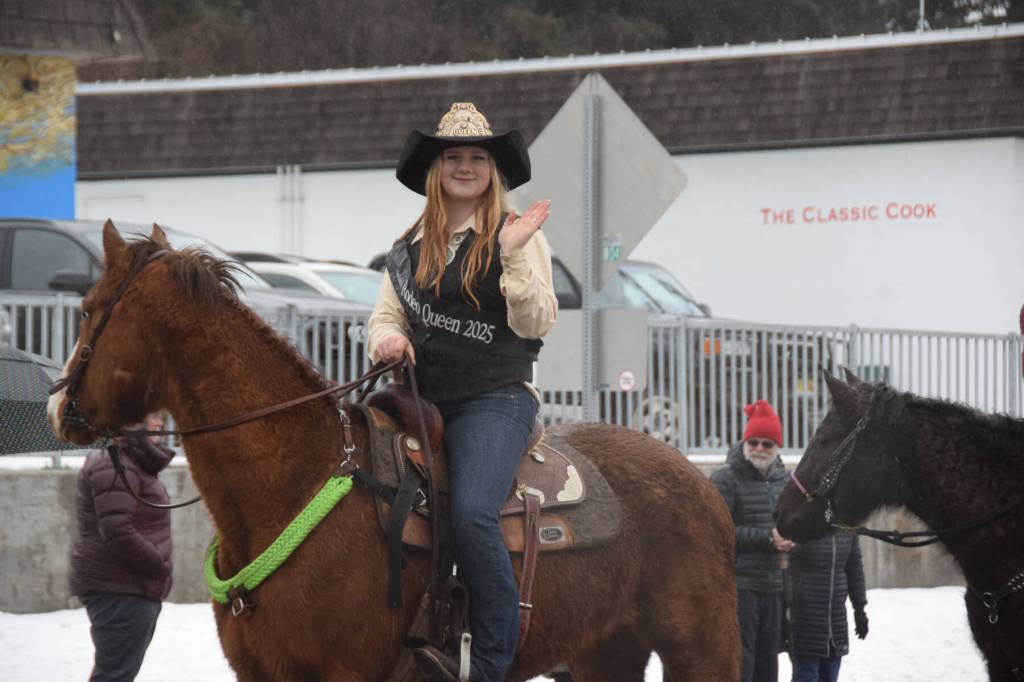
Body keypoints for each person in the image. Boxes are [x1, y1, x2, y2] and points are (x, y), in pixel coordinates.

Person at [367, 102, 557, 682]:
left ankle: (496, 658)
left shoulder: (516, 234)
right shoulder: (406, 246)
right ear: (436, 168)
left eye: (478, 157)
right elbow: (382, 318)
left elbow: (536, 323)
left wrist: (514, 254)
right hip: (418, 397)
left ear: (492, 170)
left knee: (473, 512)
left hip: (494, 398)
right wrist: (391, 339)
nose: (466, 167)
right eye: (454, 157)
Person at [70, 412, 174, 682]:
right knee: (114, 675)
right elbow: (117, 532)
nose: (160, 423)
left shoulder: (130, 464)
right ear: (132, 420)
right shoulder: (114, 466)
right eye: (153, 416)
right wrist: (158, 565)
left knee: (119, 673)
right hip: (120, 590)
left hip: (133, 589)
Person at [711, 399, 794, 682]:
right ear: (745, 442)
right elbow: (718, 532)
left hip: (775, 585)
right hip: (741, 585)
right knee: (740, 657)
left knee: (769, 657)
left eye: (767, 444)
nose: (759, 449)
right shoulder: (726, 479)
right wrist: (767, 539)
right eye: (754, 442)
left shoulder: (786, 481)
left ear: (777, 447)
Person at [784, 533, 868, 682]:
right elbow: (789, 568)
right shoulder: (803, 521)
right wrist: (788, 609)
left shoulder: (846, 525)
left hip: (836, 627)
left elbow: (854, 568)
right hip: (806, 623)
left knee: (829, 678)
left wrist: (859, 608)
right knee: (806, 676)